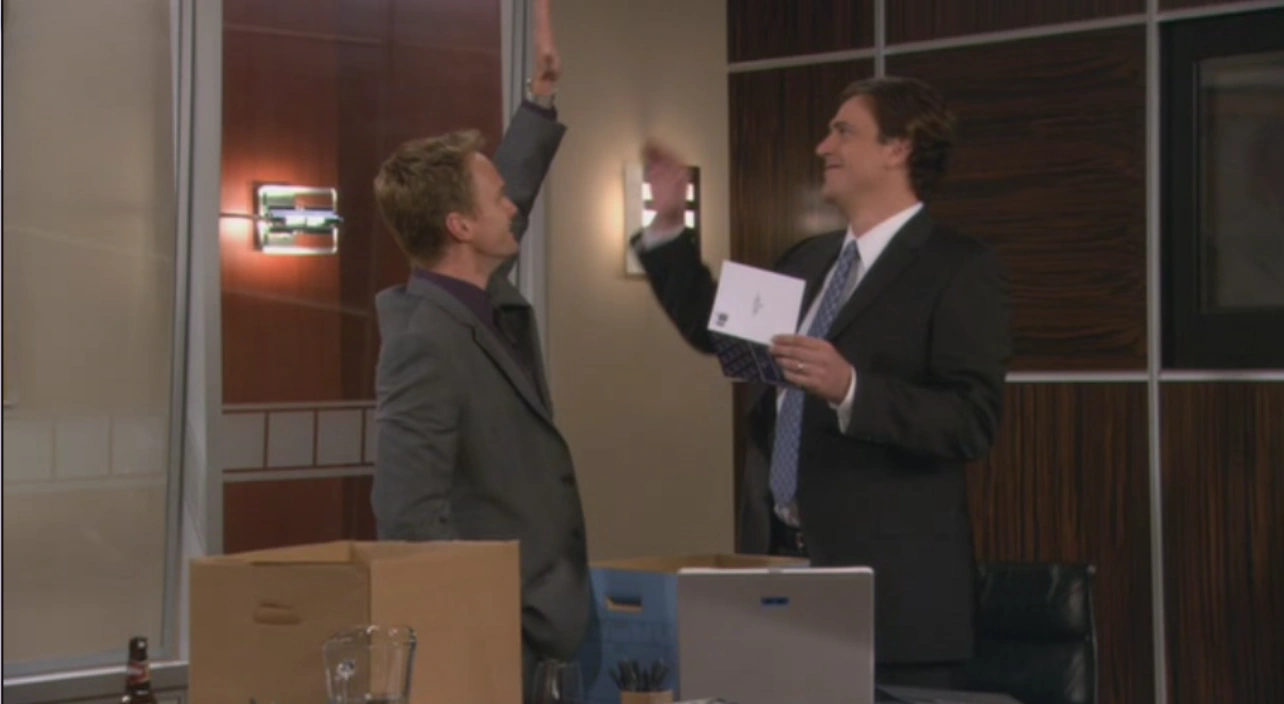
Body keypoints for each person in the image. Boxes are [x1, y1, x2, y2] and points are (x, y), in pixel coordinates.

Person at [634, 76, 1012, 687]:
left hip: (892, 597)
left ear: (898, 148)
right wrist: (670, 226)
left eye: (844, 131)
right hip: (777, 570)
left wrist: (851, 389)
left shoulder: (957, 267)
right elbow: (718, 332)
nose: (823, 147)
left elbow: (971, 421)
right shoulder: (807, 258)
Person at [369, 0, 590, 695]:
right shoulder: (423, 343)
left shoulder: (482, 295)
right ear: (460, 226)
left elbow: (509, 187)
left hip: (552, 628)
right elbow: (409, 516)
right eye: (496, 201)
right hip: (496, 640)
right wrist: (482, 629)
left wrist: (540, 101)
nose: (512, 205)